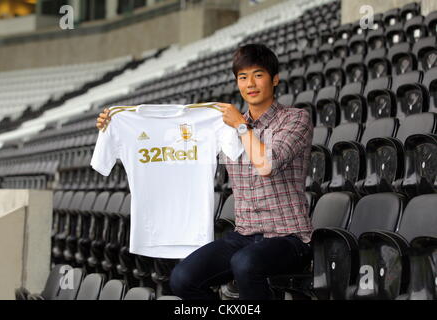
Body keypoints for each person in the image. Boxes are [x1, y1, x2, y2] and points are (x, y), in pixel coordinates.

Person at [95, 44, 314, 300]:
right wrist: (117, 124)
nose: (250, 84)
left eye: (258, 75)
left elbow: (266, 164)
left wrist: (242, 128)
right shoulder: (224, 127)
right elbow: (174, 149)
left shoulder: (296, 119)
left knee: (245, 263)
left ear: (275, 79)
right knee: (182, 278)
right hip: (244, 235)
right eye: (242, 77)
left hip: (290, 238)